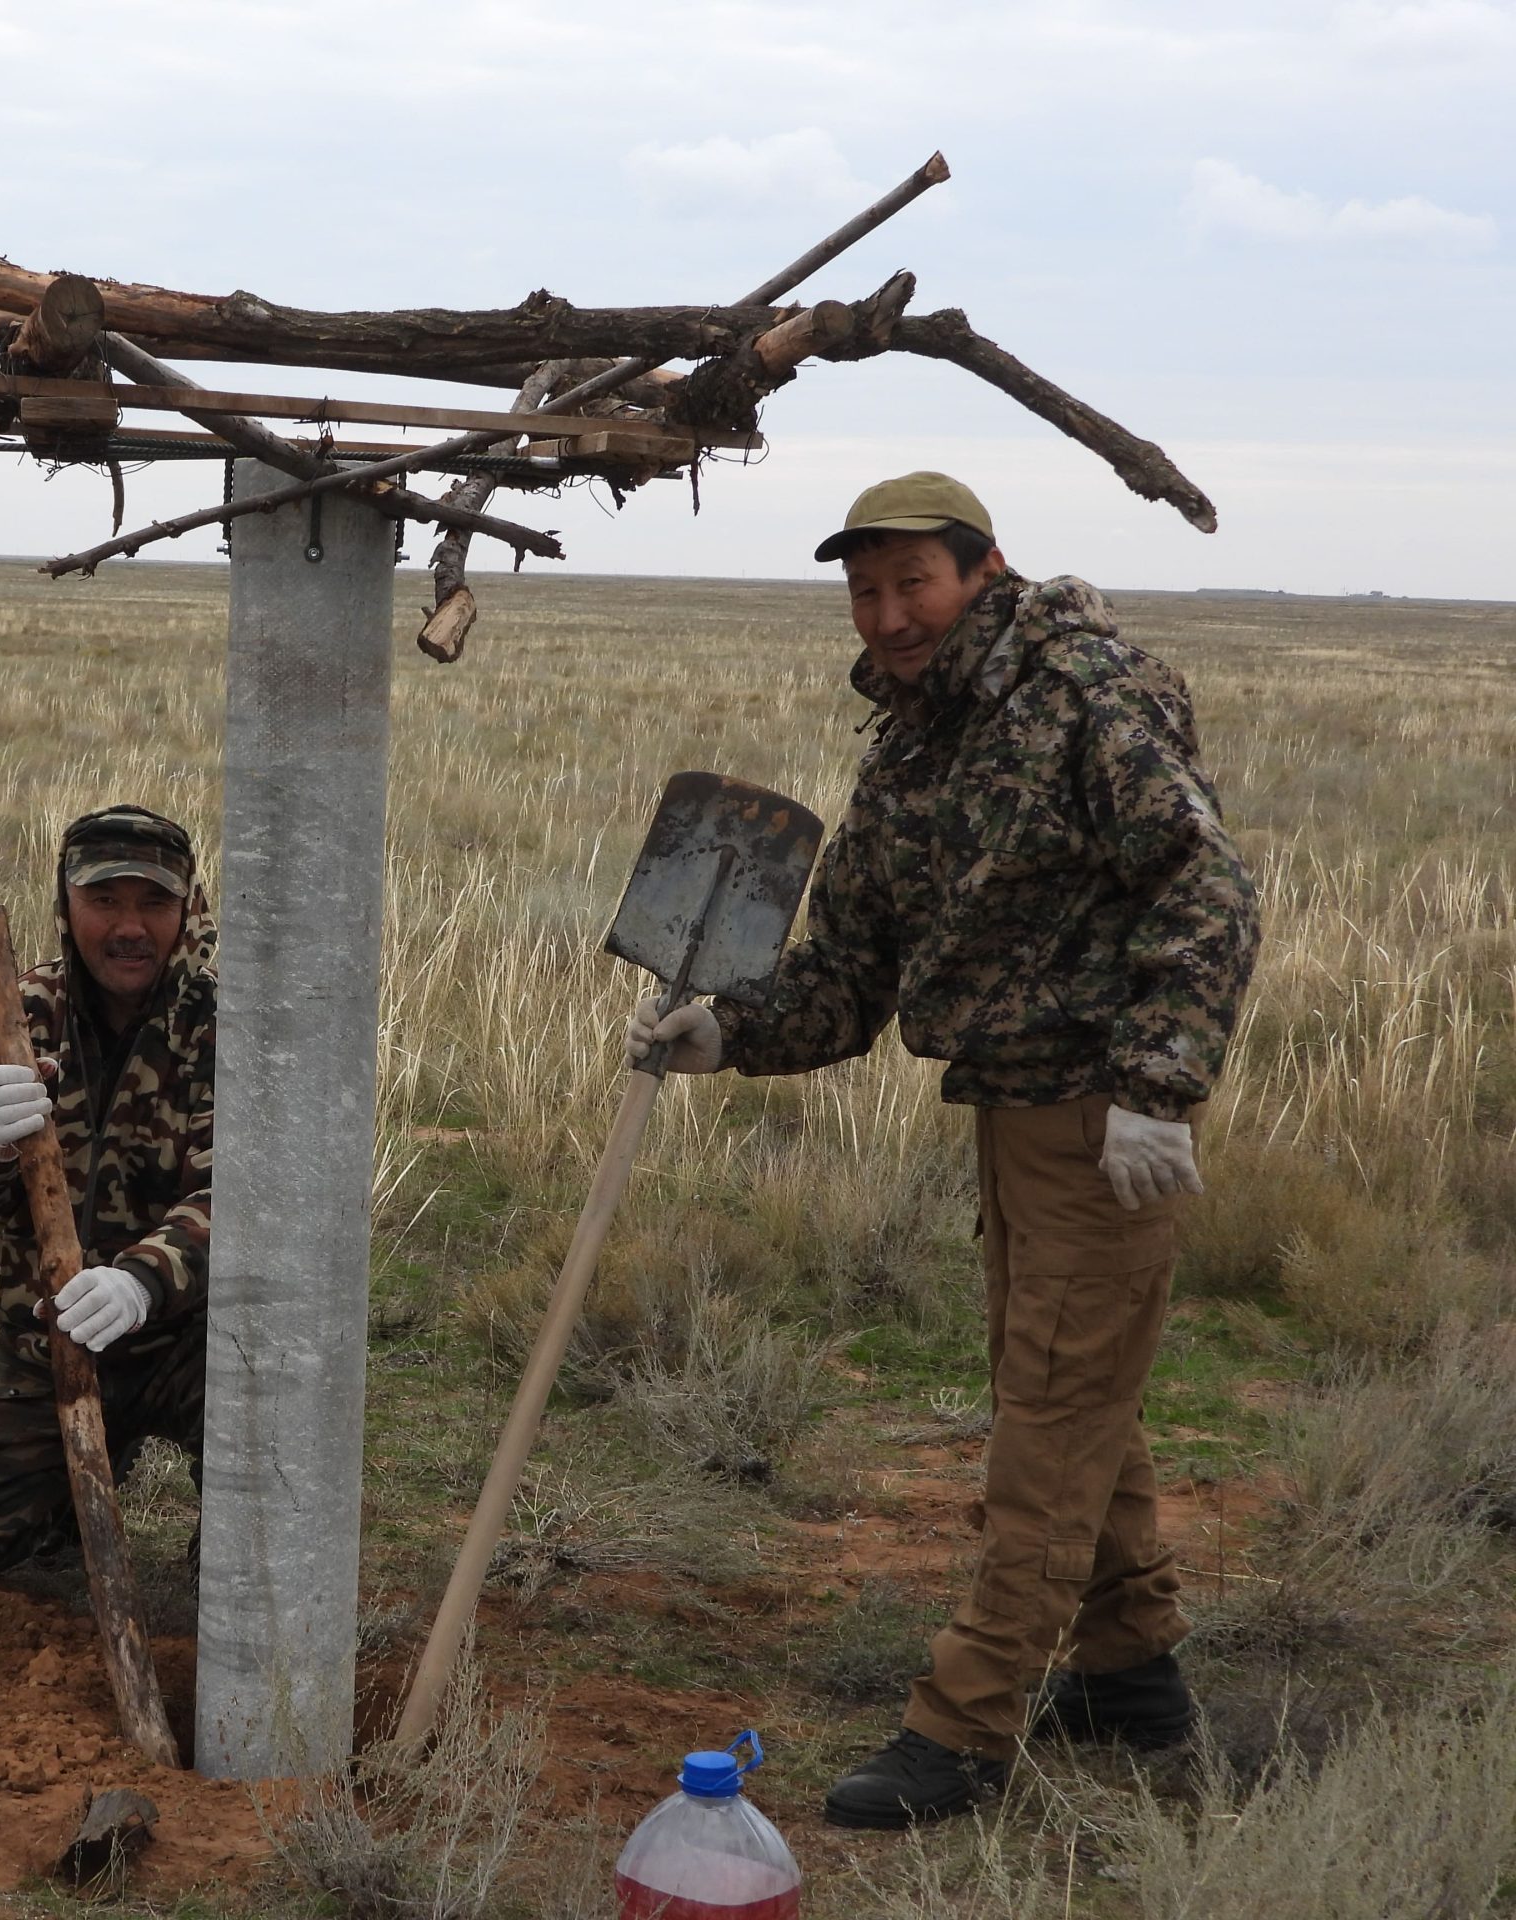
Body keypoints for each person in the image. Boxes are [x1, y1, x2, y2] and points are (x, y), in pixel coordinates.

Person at [629, 472, 1260, 1828]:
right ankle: (1131, 1673)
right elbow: (852, 963)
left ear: (982, 568)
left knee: (1045, 1427)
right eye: (865, 590)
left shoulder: (1085, 691)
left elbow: (1202, 881)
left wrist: (1160, 1083)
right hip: (1013, 1115)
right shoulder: (917, 741)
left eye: (912, 581)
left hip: (1104, 1118)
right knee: (1071, 1399)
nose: (888, 613)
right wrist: (726, 1032)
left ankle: (964, 1728)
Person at [0, 804, 214, 1577]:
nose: (129, 926)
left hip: (194, 1345)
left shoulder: (221, 1022)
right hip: (49, 1341)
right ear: (66, 906)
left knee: (259, 1556)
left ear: (188, 907)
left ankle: (226, 1560)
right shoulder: (15, 1016)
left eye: (154, 903)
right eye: (105, 902)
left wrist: (142, 1282)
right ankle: (61, 1504)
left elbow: (243, 1196)